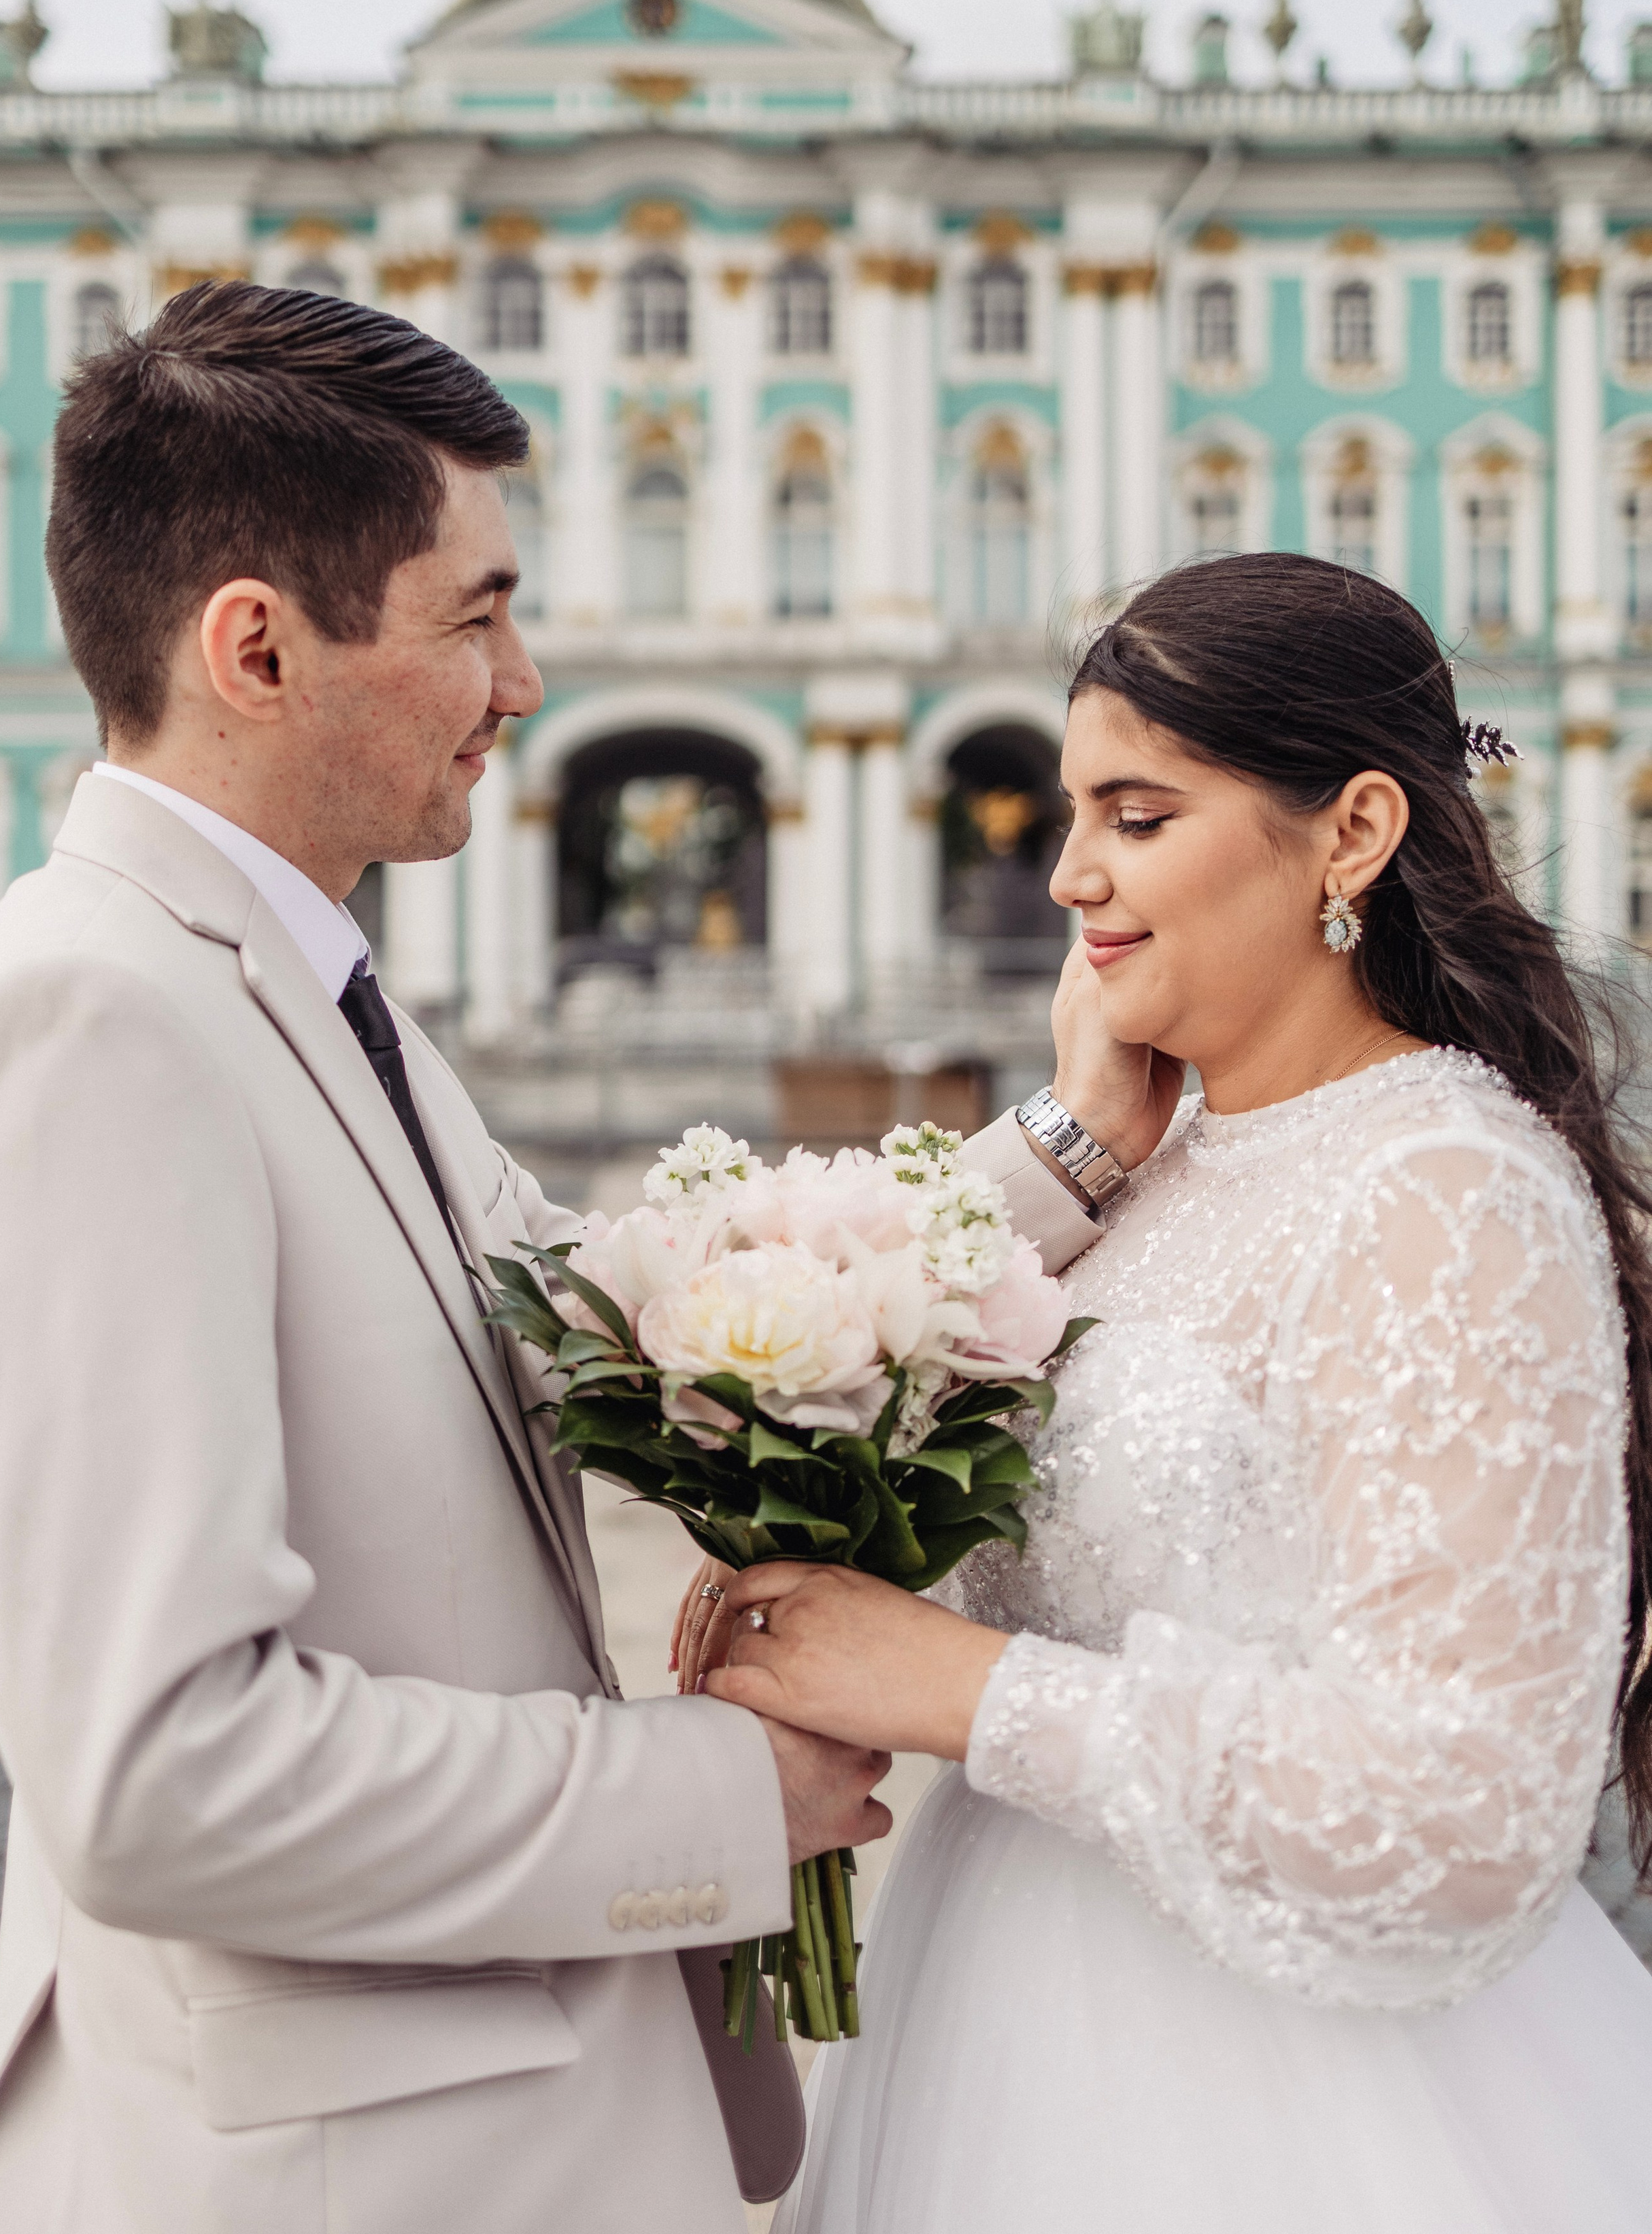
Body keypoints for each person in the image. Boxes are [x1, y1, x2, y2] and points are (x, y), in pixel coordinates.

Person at [0, 282, 905, 2234]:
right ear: (258, 649)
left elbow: (614, 1308)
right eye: (475, 617)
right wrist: (729, 1796)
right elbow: (167, 1772)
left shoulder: (293, 978)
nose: (522, 681)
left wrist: (1060, 1174)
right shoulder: (85, 1021)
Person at [690, 553, 1652, 2234]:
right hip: (984, 2033)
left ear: (1348, 834)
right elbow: (823, 1385)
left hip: (1294, 2108)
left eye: (1136, 816)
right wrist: (1070, 1140)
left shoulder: (1445, 1193)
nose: (1067, 875)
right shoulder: (1151, 1156)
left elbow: (1469, 1808)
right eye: (1069, 814)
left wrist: (962, 1689)